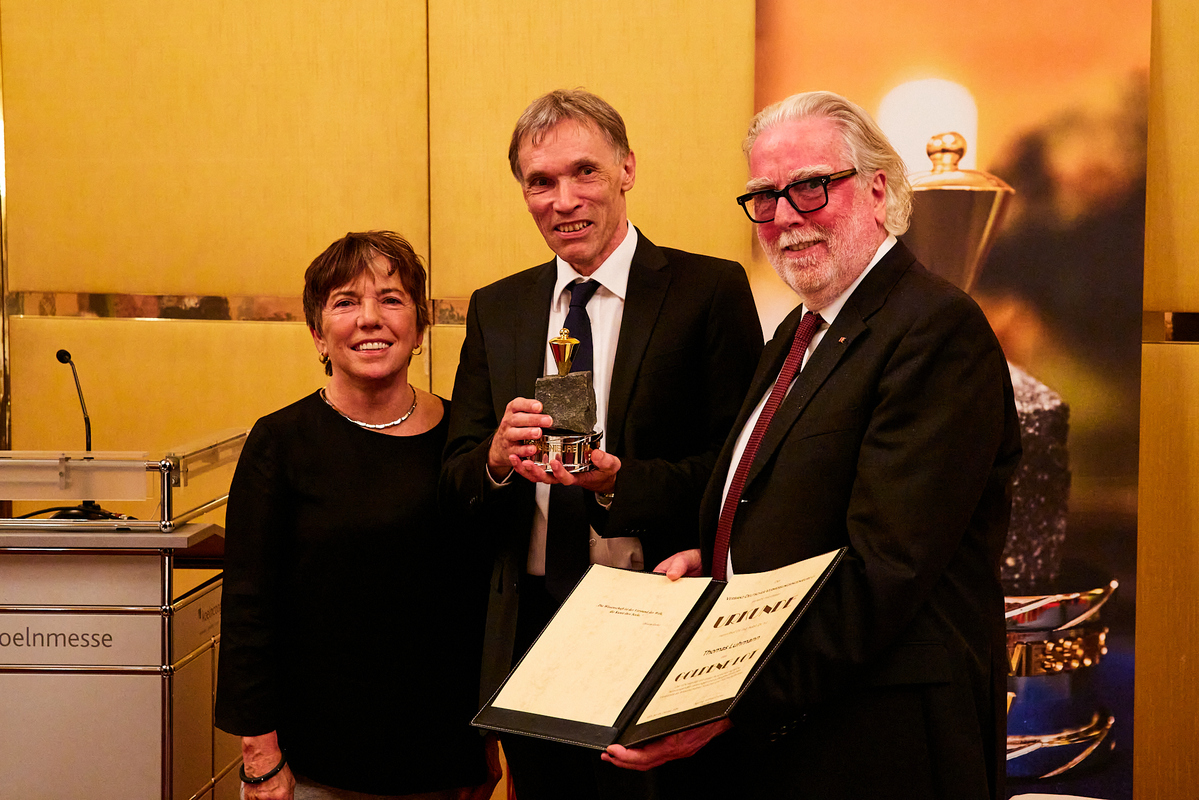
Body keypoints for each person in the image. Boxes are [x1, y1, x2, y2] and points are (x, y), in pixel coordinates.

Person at [603, 91, 1022, 800]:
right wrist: (723, 552)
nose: (785, 216)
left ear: (878, 188)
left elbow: (883, 570)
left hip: (883, 741)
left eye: (809, 187)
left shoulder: (933, 330)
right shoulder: (801, 332)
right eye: (764, 197)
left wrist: (723, 702)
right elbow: (804, 497)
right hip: (802, 730)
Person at [441, 89, 763, 800]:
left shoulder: (706, 291)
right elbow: (454, 475)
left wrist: (618, 483)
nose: (563, 199)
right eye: (540, 181)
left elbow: (743, 471)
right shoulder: (498, 307)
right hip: (530, 629)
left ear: (627, 169)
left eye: (583, 172)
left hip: (658, 619)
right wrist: (496, 461)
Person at [216, 231, 497, 800]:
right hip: (316, 767)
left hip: (445, 760)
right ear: (318, 334)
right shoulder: (281, 442)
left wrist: (486, 743)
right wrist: (259, 755)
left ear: (418, 327)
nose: (370, 319)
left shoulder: (465, 441)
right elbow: (248, 608)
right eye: (346, 302)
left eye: (391, 299)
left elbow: (485, 600)